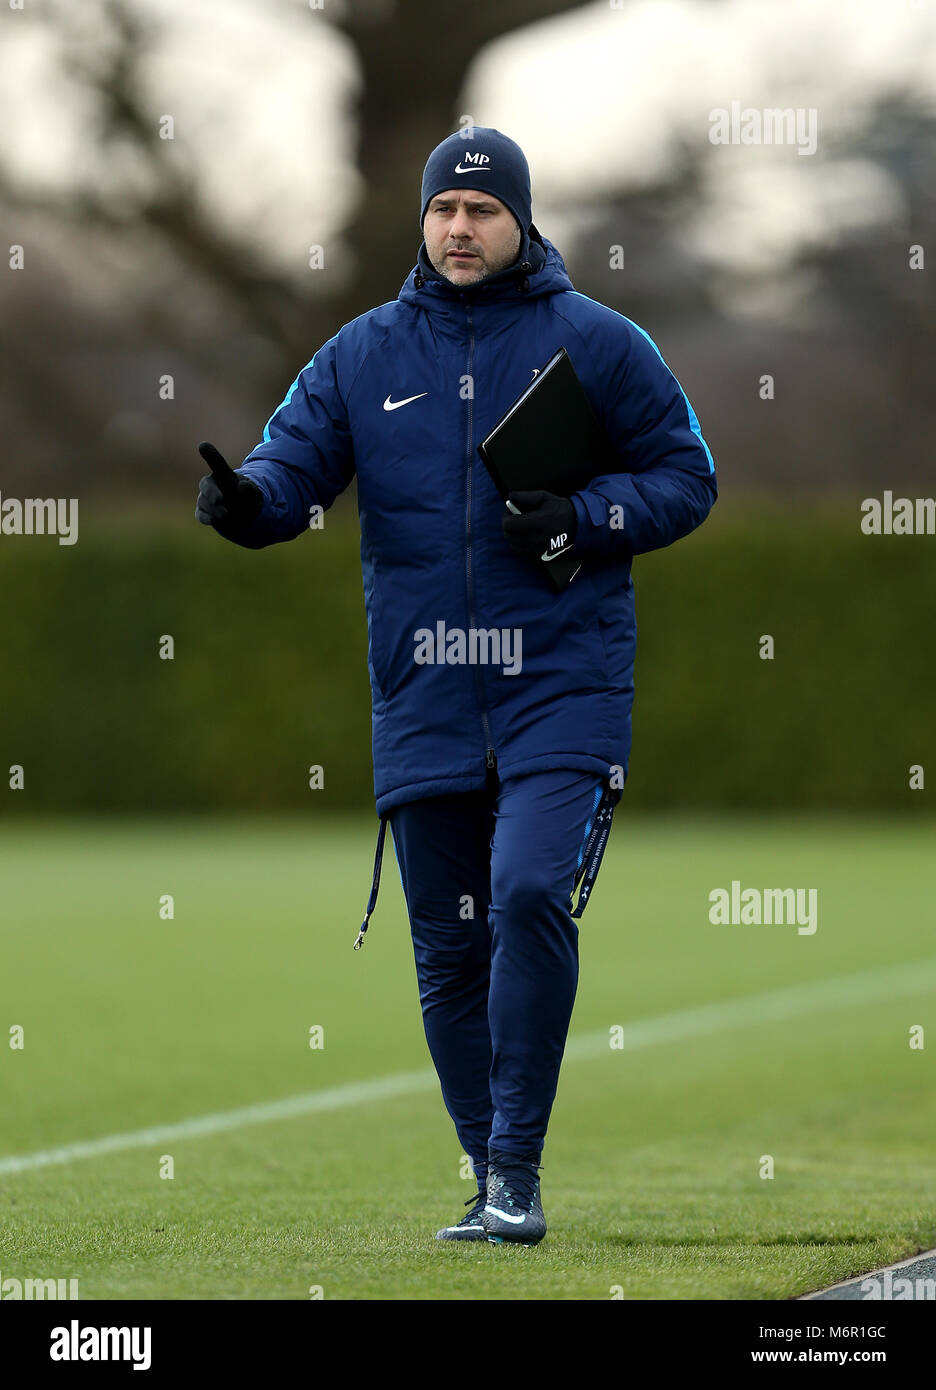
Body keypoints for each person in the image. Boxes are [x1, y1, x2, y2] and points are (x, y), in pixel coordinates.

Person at [196, 127, 717, 1246]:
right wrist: (250, 505)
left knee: (527, 890)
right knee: (447, 949)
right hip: (424, 689)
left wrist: (586, 516)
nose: (460, 227)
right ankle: (493, 1179)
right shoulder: (358, 355)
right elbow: (290, 471)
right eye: (444, 210)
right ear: (422, 223)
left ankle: (516, 1170)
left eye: (483, 210)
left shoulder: (602, 342)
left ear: (521, 220)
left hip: (561, 686)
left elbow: (688, 475)